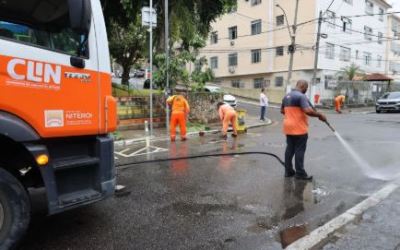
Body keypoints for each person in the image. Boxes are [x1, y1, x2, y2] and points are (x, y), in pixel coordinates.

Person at [281, 80, 327, 181]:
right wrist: (320, 115)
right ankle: (300, 173)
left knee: (289, 149)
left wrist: (292, 116)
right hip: (299, 128)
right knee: (299, 150)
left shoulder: (286, 96)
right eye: (306, 88)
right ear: (303, 86)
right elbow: (307, 110)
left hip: (288, 127)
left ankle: (288, 172)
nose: (306, 90)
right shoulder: (301, 96)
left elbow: (282, 111)